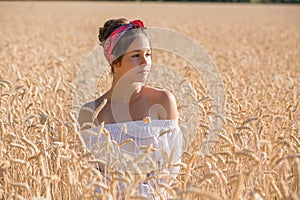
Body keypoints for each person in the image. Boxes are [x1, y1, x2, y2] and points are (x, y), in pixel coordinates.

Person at [78, 18, 182, 198]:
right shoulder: (91, 112)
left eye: (148, 54)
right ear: (114, 62)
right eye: (135, 55)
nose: (145, 62)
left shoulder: (163, 101)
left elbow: (172, 167)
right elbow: (91, 175)